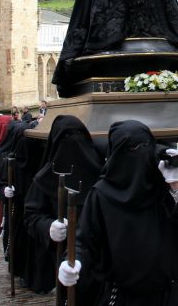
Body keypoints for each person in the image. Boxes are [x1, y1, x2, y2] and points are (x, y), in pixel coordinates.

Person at [58, 120, 178, 305]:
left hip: (173, 292)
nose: (142, 152)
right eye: (134, 148)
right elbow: (84, 240)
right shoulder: (102, 194)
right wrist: (73, 262)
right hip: (126, 296)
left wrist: (177, 185)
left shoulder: (169, 173)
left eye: (146, 145)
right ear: (117, 154)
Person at [24, 115, 105, 299]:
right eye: (66, 137)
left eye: (77, 135)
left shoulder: (101, 172)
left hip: (99, 260)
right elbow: (31, 216)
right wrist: (48, 227)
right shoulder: (44, 179)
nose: (73, 142)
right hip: (60, 258)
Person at [0, 120, 44, 288]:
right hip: (16, 207)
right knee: (16, 239)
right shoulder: (4, 155)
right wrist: (3, 189)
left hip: (34, 205)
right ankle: (17, 267)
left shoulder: (37, 154)